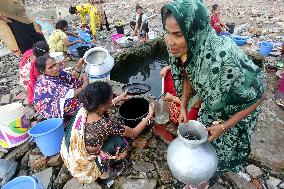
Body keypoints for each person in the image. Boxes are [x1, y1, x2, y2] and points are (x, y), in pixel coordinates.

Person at [161, 0, 266, 188]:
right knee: (202, 145)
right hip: (211, 104)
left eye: (177, 34)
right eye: (167, 32)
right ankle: (201, 179)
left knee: (220, 151)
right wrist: (183, 103)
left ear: (195, 31)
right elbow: (187, 73)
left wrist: (225, 126)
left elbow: (259, 96)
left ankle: (205, 179)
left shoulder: (225, 58)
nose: (170, 41)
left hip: (236, 110)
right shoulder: (182, 48)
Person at [60, 81, 154, 183]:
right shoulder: (106, 125)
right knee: (120, 142)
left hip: (70, 153)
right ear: (101, 106)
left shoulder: (83, 109)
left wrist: (119, 98)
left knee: (108, 135)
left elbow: (99, 109)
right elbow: (134, 133)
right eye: (111, 97)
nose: (112, 97)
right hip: (85, 167)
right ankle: (104, 175)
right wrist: (149, 116)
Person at [34, 54, 89, 119]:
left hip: (60, 95)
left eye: (54, 64)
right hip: (50, 106)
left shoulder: (57, 71)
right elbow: (73, 94)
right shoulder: (47, 83)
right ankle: (84, 113)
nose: (55, 68)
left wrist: (79, 66)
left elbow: (71, 79)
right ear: (43, 71)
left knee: (78, 82)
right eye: (50, 67)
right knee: (75, 103)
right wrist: (86, 84)